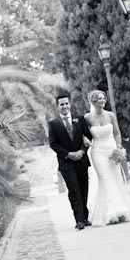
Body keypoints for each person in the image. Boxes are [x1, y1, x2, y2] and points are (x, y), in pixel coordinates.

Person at [85, 90, 130, 226]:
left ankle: (121, 209)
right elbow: (83, 134)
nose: (102, 101)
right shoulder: (87, 118)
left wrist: (118, 147)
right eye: (99, 99)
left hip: (111, 149)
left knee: (115, 179)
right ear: (93, 101)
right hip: (97, 152)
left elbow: (117, 133)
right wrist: (85, 139)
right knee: (105, 179)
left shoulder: (110, 115)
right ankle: (111, 212)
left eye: (103, 98)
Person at [48, 93, 92, 230]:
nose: (65, 106)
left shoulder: (80, 119)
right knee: (74, 190)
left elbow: (88, 136)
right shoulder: (53, 123)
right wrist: (68, 154)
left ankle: (85, 217)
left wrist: (82, 151)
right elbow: (53, 144)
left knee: (84, 188)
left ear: (70, 104)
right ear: (57, 106)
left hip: (81, 159)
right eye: (62, 104)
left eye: (66, 103)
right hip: (66, 163)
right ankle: (79, 220)